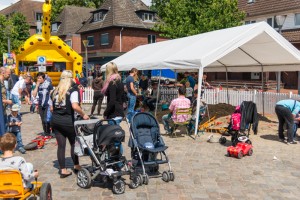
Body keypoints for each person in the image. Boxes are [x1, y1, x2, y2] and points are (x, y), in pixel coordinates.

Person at [50, 70, 89, 178]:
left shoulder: (54, 91)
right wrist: (84, 114)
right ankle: (76, 165)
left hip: (56, 121)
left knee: (61, 146)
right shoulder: (73, 91)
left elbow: (52, 108)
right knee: (74, 144)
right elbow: (75, 106)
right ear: (70, 78)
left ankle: (63, 170)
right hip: (68, 121)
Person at [32, 72, 53, 138]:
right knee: (42, 119)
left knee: (46, 119)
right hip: (40, 104)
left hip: (47, 104)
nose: (38, 79)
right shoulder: (37, 85)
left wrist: (51, 105)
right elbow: (34, 95)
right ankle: (46, 132)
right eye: (38, 78)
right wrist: (37, 86)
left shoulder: (49, 85)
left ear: (43, 79)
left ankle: (49, 132)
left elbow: (51, 95)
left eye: (40, 78)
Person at [0, 67, 12, 136]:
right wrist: (6, 101)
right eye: (8, 74)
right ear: (3, 73)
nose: (9, 76)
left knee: (5, 128)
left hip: (3, 109)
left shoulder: (3, 82)